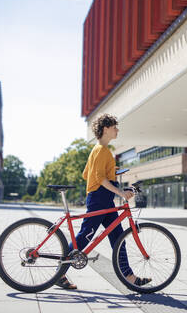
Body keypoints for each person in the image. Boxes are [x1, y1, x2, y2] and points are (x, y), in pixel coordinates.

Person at [55, 114, 151, 290]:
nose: (117, 130)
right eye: (115, 127)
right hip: (99, 199)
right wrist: (121, 192)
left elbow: (87, 173)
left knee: (118, 238)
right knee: (85, 236)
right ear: (106, 129)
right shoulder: (102, 150)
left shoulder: (99, 150)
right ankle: (59, 273)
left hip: (104, 199)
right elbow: (98, 177)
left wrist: (112, 170)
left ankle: (128, 276)